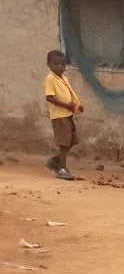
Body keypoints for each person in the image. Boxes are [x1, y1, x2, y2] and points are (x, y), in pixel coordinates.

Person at [43, 50, 83, 181]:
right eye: (56, 64)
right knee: (64, 142)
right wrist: (66, 105)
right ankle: (62, 168)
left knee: (72, 140)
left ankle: (56, 160)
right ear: (49, 64)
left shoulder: (63, 78)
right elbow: (50, 97)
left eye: (62, 64)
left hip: (67, 114)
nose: (60, 67)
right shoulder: (50, 79)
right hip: (59, 115)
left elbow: (69, 94)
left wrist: (76, 106)